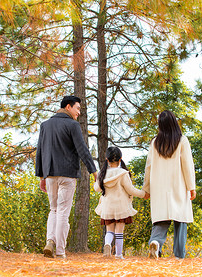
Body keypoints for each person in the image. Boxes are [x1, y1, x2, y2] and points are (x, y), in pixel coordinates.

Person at [35, 95, 98, 259]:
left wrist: (41, 175)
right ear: (68, 107)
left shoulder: (45, 125)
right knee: (63, 211)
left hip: (50, 174)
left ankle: (50, 240)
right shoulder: (72, 125)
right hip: (67, 175)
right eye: (78, 108)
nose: (79, 113)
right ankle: (60, 251)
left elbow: (40, 152)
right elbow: (82, 149)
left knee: (53, 210)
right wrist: (94, 171)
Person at [143, 110, 196, 259]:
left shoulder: (154, 142)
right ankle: (179, 255)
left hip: (159, 187)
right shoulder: (182, 140)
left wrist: (146, 188)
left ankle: (156, 242)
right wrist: (191, 186)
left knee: (161, 220)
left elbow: (149, 166)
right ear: (174, 122)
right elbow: (187, 165)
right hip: (178, 185)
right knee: (181, 220)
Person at [94, 146, 149, 259]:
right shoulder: (123, 173)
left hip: (107, 207)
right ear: (120, 159)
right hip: (121, 207)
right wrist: (144, 194)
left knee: (109, 231)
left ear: (107, 159)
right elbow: (131, 190)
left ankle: (107, 244)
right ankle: (119, 255)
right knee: (119, 232)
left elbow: (97, 189)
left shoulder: (102, 173)